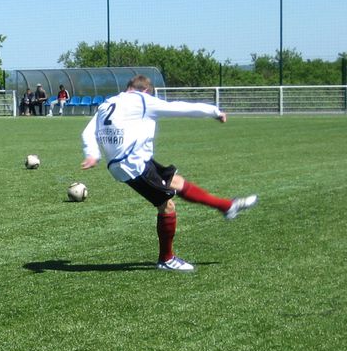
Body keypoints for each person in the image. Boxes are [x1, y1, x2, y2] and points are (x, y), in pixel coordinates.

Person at [80, 74, 258, 272]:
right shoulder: (142, 100)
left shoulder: (108, 103)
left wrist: (92, 154)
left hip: (132, 160)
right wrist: (213, 111)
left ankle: (226, 206)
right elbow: (180, 107)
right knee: (167, 206)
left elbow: (88, 131)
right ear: (146, 91)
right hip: (132, 164)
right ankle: (166, 259)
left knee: (177, 182)